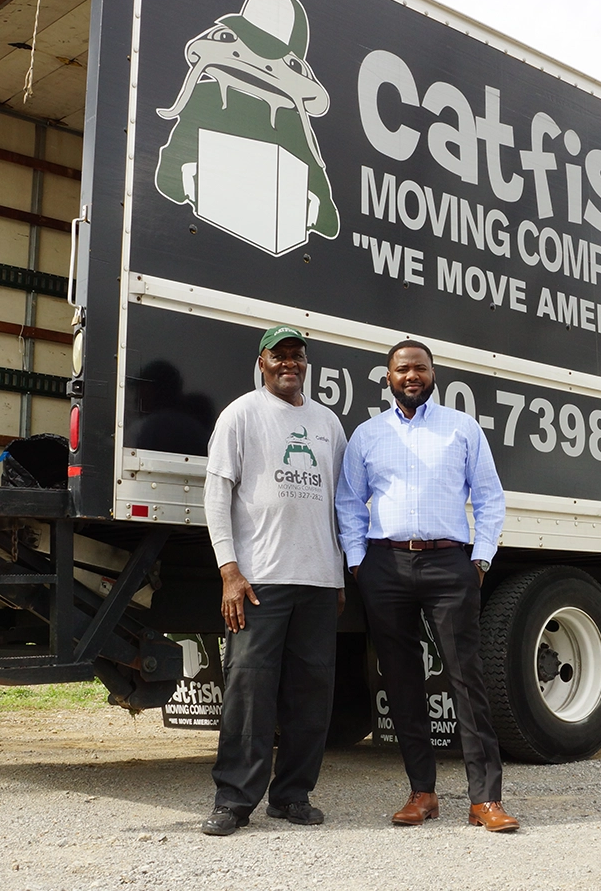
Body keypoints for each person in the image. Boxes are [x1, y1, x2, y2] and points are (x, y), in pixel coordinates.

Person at [336, 339, 519, 833]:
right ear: (388, 377)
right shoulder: (368, 435)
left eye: (419, 367)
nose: (411, 375)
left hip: (448, 565)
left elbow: (489, 498)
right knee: (400, 682)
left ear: (433, 373)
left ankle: (485, 800)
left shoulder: (461, 429)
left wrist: (479, 559)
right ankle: (423, 793)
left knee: (467, 679)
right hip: (384, 567)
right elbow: (350, 502)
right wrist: (358, 563)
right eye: (402, 369)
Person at [200, 325, 347, 836]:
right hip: (259, 579)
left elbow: (340, 503)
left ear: (306, 364)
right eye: (279, 355)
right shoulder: (241, 414)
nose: (290, 363)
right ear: (261, 362)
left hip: (319, 579)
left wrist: (341, 573)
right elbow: (217, 496)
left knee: (312, 693)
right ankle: (234, 800)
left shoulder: (327, 423)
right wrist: (229, 572)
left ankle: (292, 796)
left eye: (297, 356)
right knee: (249, 689)